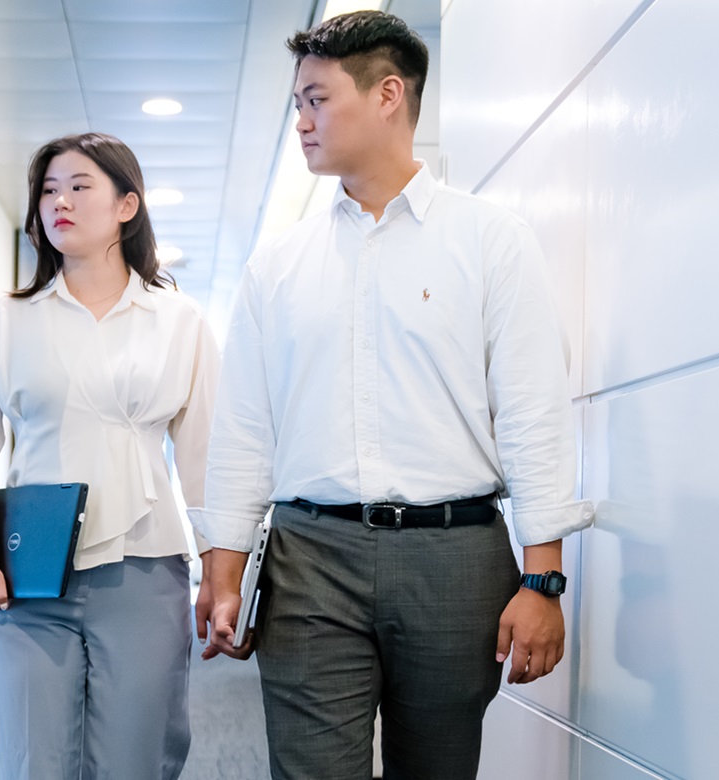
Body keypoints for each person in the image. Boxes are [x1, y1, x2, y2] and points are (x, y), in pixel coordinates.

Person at [193, 11, 595, 779]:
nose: (301, 120)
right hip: (309, 556)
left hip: (457, 556)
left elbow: (534, 415)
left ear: (386, 95)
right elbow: (246, 427)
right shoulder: (278, 264)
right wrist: (223, 566)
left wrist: (542, 578)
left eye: (316, 99)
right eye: (298, 102)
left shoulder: (491, 240)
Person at [0, 132, 220, 779]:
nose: (58, 201)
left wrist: (219, 571)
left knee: (136, 760)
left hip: (146, 569)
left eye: (79, 186)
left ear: (127, 204)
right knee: (32, 761)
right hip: (27, 575)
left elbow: (204, 458)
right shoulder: (4, 320)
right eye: (48, 190)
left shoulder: (179, 320)